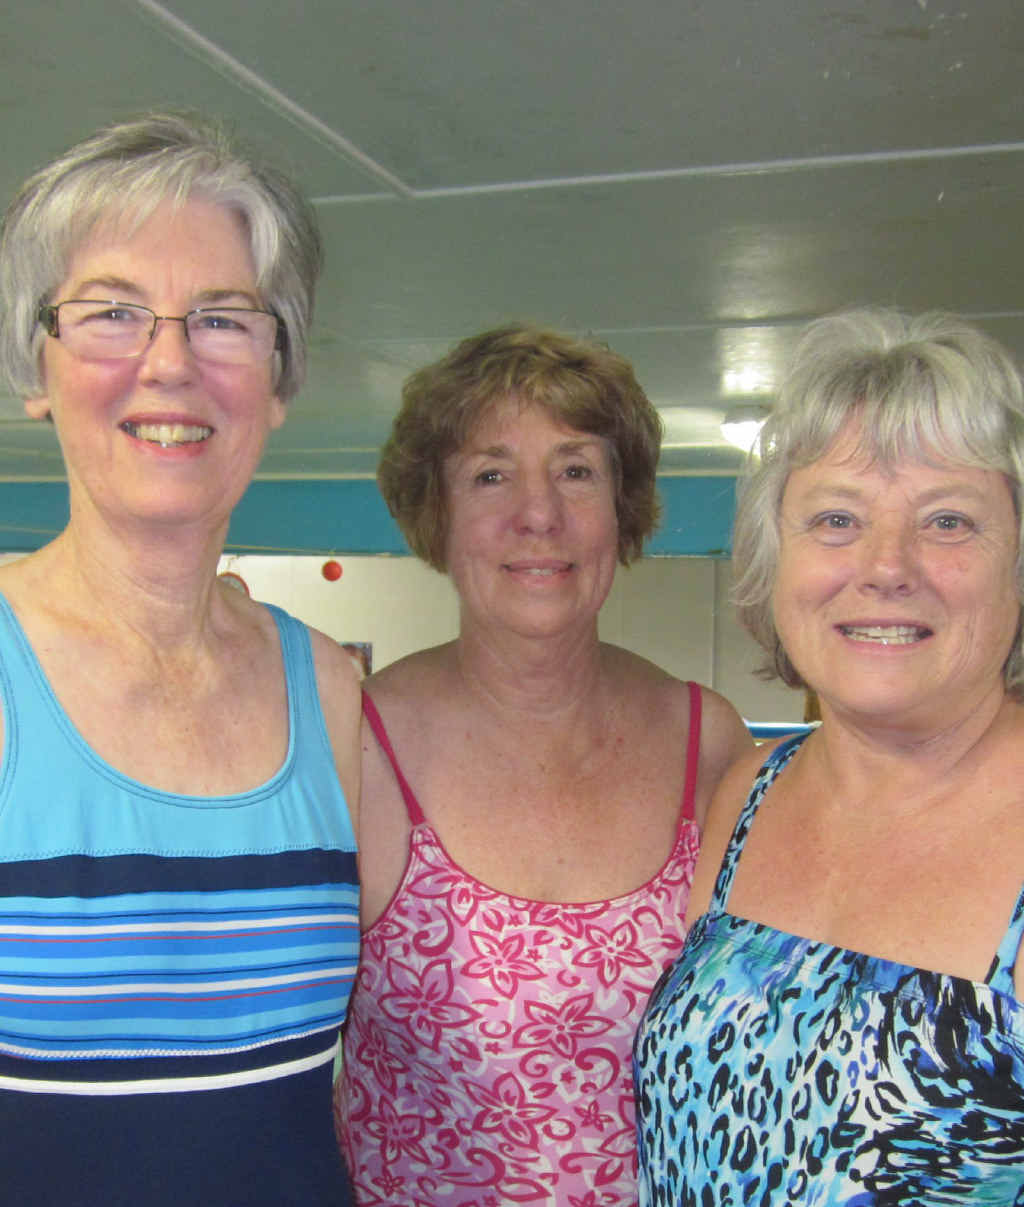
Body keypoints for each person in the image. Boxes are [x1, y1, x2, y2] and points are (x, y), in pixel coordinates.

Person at [0, 113, 362, 1205]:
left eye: (222, 318)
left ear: (278, 377)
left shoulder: (332, 690)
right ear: (37, 365)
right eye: (111, 313)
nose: (169, 362)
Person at [334, 323, 751, 1204]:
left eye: (576, 470)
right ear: (436, 514)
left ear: (623, 506)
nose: (540, 514)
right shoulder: (360, 747)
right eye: (491, 474)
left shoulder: (706, 744)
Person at [634, 308, 1024, 1205]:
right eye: (838, 518)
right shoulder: (749, 793)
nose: (887, 566)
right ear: (777, 565)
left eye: (950, 521)